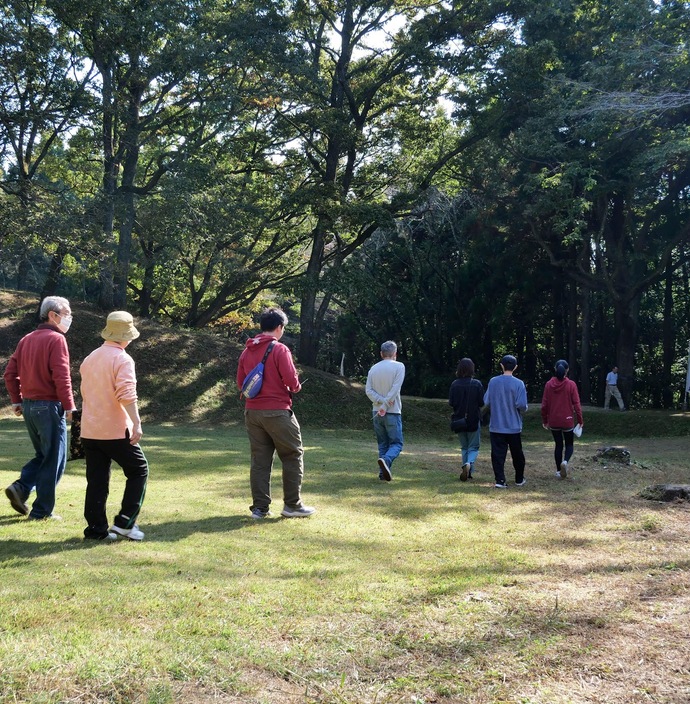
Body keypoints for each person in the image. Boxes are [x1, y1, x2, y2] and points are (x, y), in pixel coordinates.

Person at [236, 308, 315, 519]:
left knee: (260, 461)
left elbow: (240, 383)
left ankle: (260, 508)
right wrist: (296, 386)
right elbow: (291, 381)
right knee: (292, 455)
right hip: (277, 411)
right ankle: (292, 505)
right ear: (279, 327)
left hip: (252, 412)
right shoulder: (279, 349)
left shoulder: (246, 351)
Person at [4, 296, 76, 520]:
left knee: (44, 455)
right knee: (54, 458)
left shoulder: (26, 339)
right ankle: (42, 510)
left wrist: (17, 400)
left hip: (29, 406)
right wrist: (69, 406)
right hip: (49, 406)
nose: (69, 317)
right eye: (66, 313)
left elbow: (9, 373)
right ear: (52, 315)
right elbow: (62, 376)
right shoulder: (56, 339)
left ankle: (22, 487)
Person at [80, 311, 149, 541]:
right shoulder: (122, 359)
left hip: (90, 429)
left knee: (97, 480)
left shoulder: (90, 358)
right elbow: (126, 394)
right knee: (139, 469)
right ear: (125, 336)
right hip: (115, 428)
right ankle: (125, 523)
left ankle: (96, 529)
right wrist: (137, 422)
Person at [483, 354, 528, 488]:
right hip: (514, 426)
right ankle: (519, 479)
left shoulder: (493, 381)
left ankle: (500, 480)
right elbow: (522, 405)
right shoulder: (519, 383)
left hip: (497, 425)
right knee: (517, 454)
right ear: (515, 367)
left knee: (497, 454)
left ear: (501, 366)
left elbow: (486, 401)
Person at [366, 341, 406, 481]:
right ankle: (387, 461)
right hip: (393, 410)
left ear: (381, 353)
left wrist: (380, 402)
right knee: (396, 443)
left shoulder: (373, 368)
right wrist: (386, 403)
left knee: (382, 443)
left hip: (376, 411)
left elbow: (368, 390)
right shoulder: (399, 366)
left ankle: (383, 473)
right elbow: (395, 388)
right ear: (395, 353)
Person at [541, 359, 584, 479]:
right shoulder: (571, 385)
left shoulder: (549, 385)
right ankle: (565, 461)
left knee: (558, 445)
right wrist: (580, 421)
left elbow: (544, 405)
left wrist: (545, 420)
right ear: (567, 370)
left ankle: (558, 471)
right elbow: (576, 404)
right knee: (569, 444)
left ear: (555, 369)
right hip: (567, 419)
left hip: (554, 420)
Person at [448, 357, 484, 481]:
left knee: (464, 447)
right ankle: (469, 464)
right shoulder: (476, 384)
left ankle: (467, 469)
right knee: (473, 447)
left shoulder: (454, 384)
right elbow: (481, 402)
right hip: (473, 419)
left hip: (459, 420)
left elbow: (451, 403)